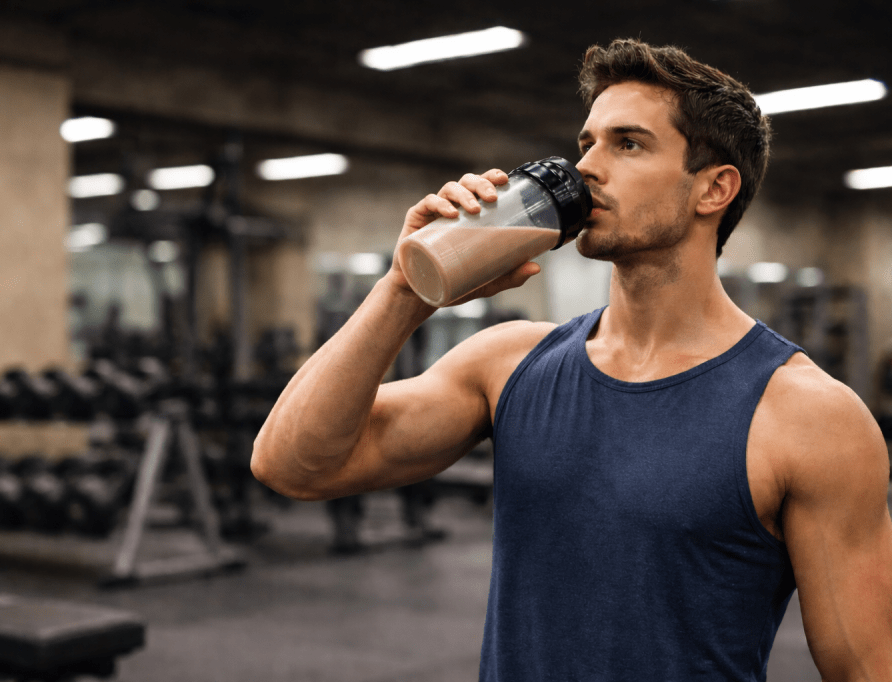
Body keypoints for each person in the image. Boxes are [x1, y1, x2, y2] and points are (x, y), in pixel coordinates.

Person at [251, 38, 892, 680]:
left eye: (628, 144)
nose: (586, 166)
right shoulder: (509, 363)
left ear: (714, 189)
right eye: (587, 142)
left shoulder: (809, 417)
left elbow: (867, 667)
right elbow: (292, 465)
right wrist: (403, 291)